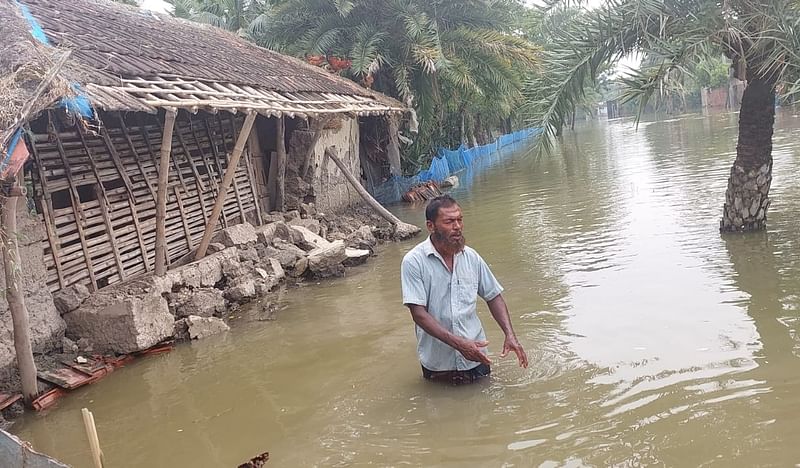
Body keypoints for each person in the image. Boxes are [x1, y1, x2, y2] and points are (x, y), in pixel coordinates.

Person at [401, 195, 528, 384]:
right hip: (439, 366)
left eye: (460, 220)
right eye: (449, 221)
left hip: (477, 359)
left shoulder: (471, 257)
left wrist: (510, 335)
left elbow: (493, 296)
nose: (457, 226)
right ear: (431, 226)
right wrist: (460, 344)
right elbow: (419, 314)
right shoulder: (414, 262)